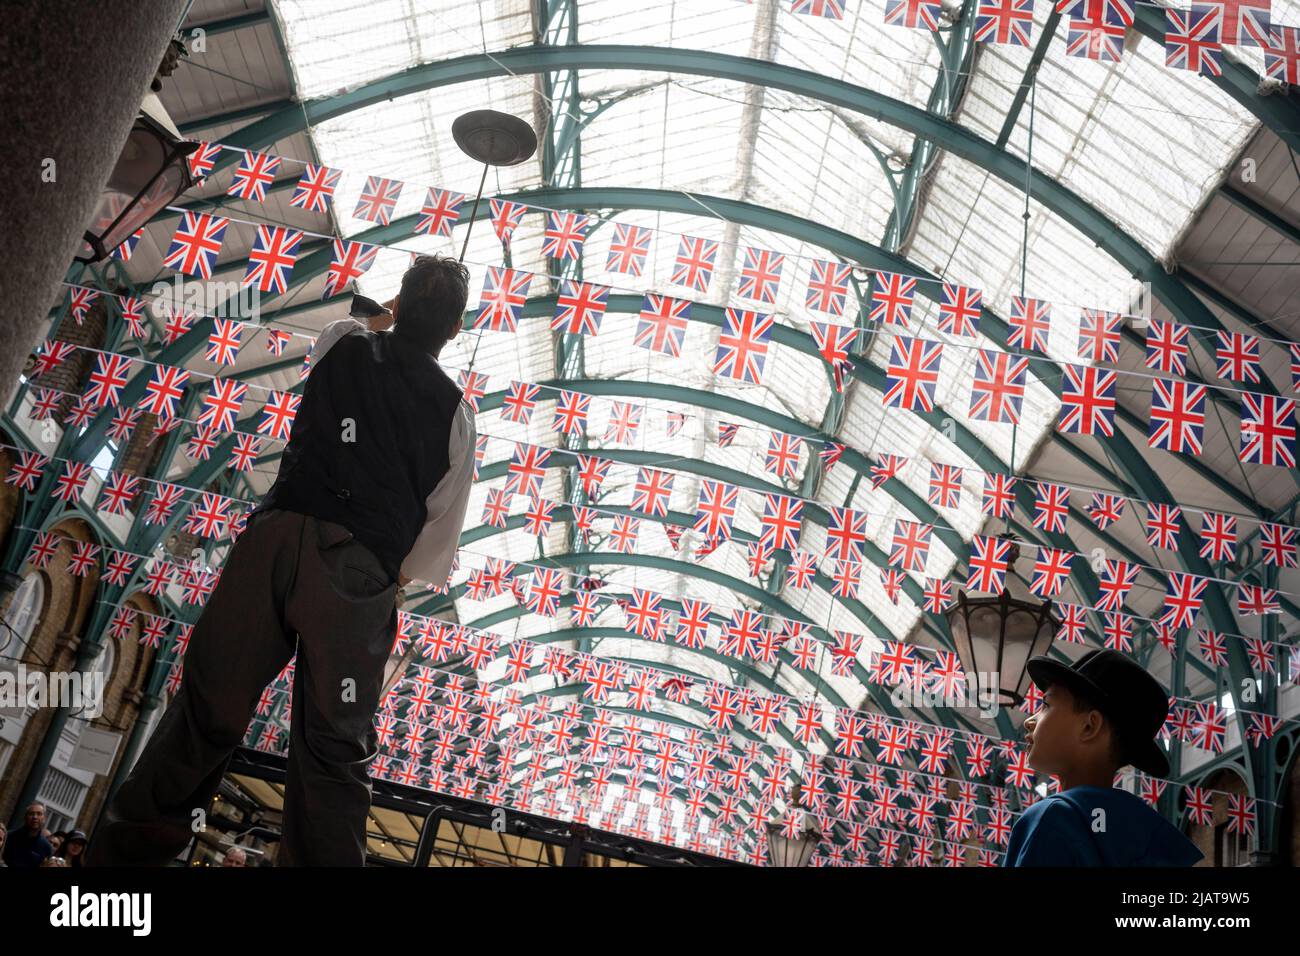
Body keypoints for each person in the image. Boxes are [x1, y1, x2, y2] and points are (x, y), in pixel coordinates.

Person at [87, 254, 478, 867]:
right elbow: (435, 534)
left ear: (397, 306)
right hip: (359, 570)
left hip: (272, 537)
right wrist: (379, 584)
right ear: (456, 330)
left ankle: (118, 871)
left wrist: (390, 316)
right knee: (332, 750)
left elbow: (359, 325)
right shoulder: (458, 414)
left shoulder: (342, 342)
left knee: (206, 707)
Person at [1003, 648, 1203, 866]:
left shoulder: (1052, 819)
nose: (1029, 721)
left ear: (1089, 726)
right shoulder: (1153, 833)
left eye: (1046, 705)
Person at [3, 803, 54, 868]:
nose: (35, 817)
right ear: (25, 817)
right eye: (31, 814)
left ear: (44, 818)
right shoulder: (8, 836)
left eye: (39, 814)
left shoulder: (46, 847)